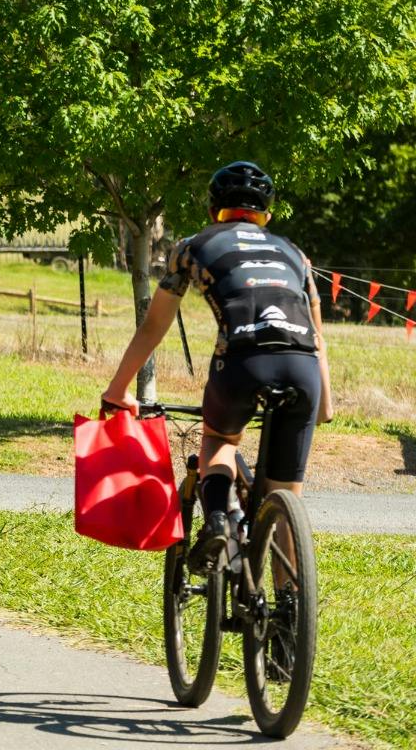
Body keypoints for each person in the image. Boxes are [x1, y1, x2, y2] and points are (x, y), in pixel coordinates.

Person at [100, 161, 335, 570]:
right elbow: (317, 338)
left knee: (220, 442)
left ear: (213, 212)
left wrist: (118, 389)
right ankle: (289, 616)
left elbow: (154, 326)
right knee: (287, 497)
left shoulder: (191, 247)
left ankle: (217, 522)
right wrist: (325, 406)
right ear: (268, 215)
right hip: (303, 370)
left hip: (244, 362)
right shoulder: (296, 255)